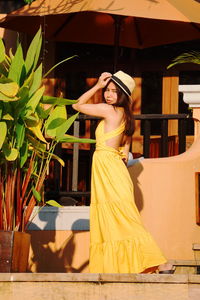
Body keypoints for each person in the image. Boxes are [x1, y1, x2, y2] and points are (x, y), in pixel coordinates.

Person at [72, 71, 174, 273]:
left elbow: (77, 105)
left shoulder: (109, 111)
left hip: (108, 167)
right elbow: (125, 153)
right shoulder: (127, 117)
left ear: (123, 96)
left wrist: (97, 86)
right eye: (107, 91)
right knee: (118, 217)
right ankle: (130, 266)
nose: (109, 95)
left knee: (121, 217)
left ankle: (158, 261)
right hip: (114, 168)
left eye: (114, 91)